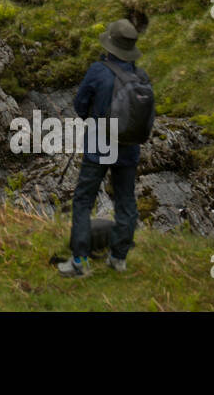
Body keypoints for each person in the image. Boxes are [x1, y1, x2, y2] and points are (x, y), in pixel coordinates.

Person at [56, 19, 151, 277]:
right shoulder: (141, 76)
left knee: (84, 199)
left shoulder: (99, 71)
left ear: (110, 45)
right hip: (129, 148)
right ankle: (118, 259)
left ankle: (80, 262)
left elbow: (79, 105)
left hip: (99, 144)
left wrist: (95, 119)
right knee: (126, 201)